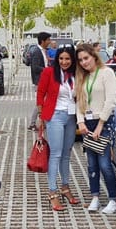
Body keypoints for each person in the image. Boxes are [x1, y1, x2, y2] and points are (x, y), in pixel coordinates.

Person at [74, 44, 116, 214]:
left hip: (105, 123)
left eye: (86, 58)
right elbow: (79, 101)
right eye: (80, 60)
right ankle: (95, 197)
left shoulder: (106, 73)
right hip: (88, 123)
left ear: (94, 56)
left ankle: (113, 199)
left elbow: (111, 100)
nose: (84, 62)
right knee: (91, 164)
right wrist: (80, 122)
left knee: (105, 164)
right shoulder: (82, 77)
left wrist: (101, 124)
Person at [36, 44, 79, 211]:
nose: (64, 61)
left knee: (67, 154)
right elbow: (40, 93)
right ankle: (52, 191)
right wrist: (41, 115)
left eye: (67, 58)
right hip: (54, 115)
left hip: (71, 116)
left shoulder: (76, 74)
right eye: (61, 58)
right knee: (56, 153)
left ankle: (65, 187)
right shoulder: (49, 72)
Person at [27, 32, 52, 131]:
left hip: (44, 80)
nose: (50, 42)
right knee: (40, 103)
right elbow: (35, 67)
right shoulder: (37, 51)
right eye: (48, 40)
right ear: (43, 41)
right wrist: (47, 70)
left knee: (43, 102)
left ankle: (43, 122)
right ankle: (32, 123)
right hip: (39, 81)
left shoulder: (43, 51)